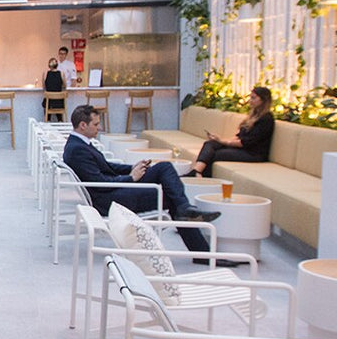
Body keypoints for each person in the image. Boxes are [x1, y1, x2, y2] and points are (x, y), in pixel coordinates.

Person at [63, 103, 225, 260]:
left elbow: (106, 167)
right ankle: (202, 251)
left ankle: (186, 213)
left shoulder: (80, 144)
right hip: (109, 200)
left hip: (113, 191)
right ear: (83, 125)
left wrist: (132, 168)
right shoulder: (77, 149)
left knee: (164, 168)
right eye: (96, 124)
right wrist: (131, 178)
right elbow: (100, 181)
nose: (99, 128)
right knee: (170, 196)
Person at [188, 86, 273, 176]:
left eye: (253, 98)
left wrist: (222, 141)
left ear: (263, 100)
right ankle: (196, 172)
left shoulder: (266, 119)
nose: (250, 100)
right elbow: (239, 136)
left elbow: (245, 142)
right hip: (243, 149)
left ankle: (200, 176)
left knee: (215, 154)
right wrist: (219, 140)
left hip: (253, 154)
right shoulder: (253, 116)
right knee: (210, 143)